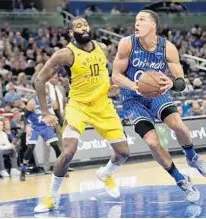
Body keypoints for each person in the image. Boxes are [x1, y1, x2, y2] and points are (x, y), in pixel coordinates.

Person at [112, 10, 206, 202]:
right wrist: (135, 86)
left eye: (141, 20)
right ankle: (181, 179)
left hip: (157, 94)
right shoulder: (127, 43)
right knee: (152, 142)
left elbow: (181, 81)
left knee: (177, 124)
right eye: (135, 20)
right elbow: (115, 76)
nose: (137, 23)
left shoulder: (167, 47)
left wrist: (171, 83)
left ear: (153, 25)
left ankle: (192, 157)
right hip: (132, 99)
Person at [33, 17, 130, 213]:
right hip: (78, 106)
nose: (84, 27)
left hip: (103, 105)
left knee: (123, 153)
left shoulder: (102, 48)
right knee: (67, 152)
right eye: (78, 26)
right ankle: (52, 197)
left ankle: (105, 174)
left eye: (86, 24)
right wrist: (45, 112)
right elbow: (39, 80)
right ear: (71, 33)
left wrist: (109, 86)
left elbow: (101, 71)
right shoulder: (65, 54)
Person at [20, 87, 63, 181]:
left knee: (55, 145)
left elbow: (59, 115)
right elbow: (24, 116)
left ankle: (61, 169)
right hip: (34, 126)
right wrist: (27, 126)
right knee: (30, 147)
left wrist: (63, 127)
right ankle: (23, 170)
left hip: (45, 126)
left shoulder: (52, 101)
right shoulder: (32, 102)